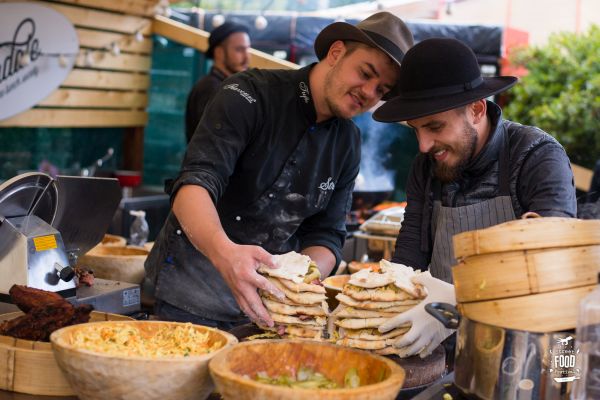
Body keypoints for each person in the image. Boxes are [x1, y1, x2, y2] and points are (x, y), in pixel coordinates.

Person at [145, 12, 415, 330]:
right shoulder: (248, 93)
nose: (369, 92)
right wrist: (226, 254)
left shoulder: (348, 143)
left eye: (382, 89)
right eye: (365, 73)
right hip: (188, 300)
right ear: (337, 52)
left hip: (273, 313)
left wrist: (302, 280)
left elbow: (327, 233)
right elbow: (196, 182)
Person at [373, 38, 577, 357]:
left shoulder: (537, 156)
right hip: (456, 347)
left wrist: (459, 298)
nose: (424, 145)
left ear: (476, 110)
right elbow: (408, 258)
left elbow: (552, 265)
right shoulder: (425, 167)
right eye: (415, 130)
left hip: (540, 351)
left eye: (435, 126)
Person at [185, 21, 251, 143]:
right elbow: (215, 142)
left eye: (247, 49)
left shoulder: (226, 86)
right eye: (239, 50)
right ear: (219, 52)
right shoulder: (212, 89)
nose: (247, 57)